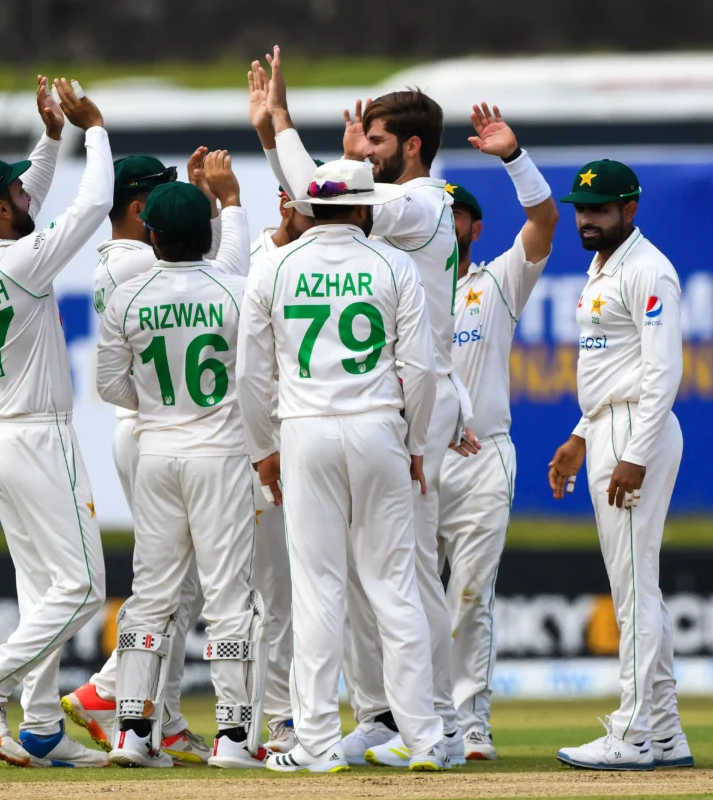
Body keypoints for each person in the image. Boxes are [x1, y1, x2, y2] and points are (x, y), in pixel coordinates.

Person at [261, 44, 475, 768]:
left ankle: (432, 725)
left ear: (412, 148)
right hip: (392, 412)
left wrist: (281, 127)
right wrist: (296, 144)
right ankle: (396, 723)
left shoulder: (419, 203)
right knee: (380, 582)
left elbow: (321, 202)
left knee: (390, 577)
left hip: (387, 410)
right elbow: (326, 203)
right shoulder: (385, 233)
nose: (367, 150)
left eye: (377, 142)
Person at [237, 158, 449, 774]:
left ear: (312, 208)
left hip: (305, 432)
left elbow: (250, 374)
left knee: (318, 590)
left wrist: (263, 449)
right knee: (395, 587)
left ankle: (319, 742)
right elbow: (420, 370)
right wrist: (414, 443)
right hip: (379, 425)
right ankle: (425, 740)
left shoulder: (276, 266)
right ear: (361, 208)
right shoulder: (393, 263)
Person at [0, 77, 111, 769]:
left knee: (43, 591)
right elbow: (93, 203)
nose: (26, 194)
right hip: (39, 437)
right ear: (0, 209)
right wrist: (94, 129)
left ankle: (40, 726)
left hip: (1, 439)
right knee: (84, 588)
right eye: (15, 192)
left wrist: (51, 137)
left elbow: (25, 200)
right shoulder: (22, 264)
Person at [96, 153, 266, 770]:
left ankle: (132, 732)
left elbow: (109, 386)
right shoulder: (237, 291)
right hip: (220, 454)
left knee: (151, 594)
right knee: (229, 594)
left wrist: (158, 406)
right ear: (204, 230)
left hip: (156, 454)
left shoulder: (126, 297)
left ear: (153, 234)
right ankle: (234, 737)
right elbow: (257, 378)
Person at [62, 150, 224, 767]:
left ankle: (163, 715)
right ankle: (110, 691)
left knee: (179, 585)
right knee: (174, 586)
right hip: (160, 424)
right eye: (161, 197)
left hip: (149, 427)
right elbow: (215, 280)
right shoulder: (137, 261)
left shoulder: (119, 259)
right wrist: (221, 209)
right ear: (139, 208)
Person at [547, 159, 693, 771]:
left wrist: (634, 453)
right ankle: (665, 732)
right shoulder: (602, 267)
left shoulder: (648, 269)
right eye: (581, 209)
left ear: (629, 209)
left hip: (637, 431)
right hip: (611, 426)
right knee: (638, 587)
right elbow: (613, 369)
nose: (587, 219)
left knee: (632, 590)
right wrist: (581, 435)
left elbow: (663, 371)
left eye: (600, 210)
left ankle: (632, 735)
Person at [437, 105, 558, 761]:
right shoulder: (399, 285)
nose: (443, 222)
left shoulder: (498, 282)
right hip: (415, 461)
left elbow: (544, 221)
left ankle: (471, 721)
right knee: (408, 599)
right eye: (436, 213)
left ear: (473, 227)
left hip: (484, 458)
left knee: (470, 595)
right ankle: (418, 720)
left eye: (454, 214)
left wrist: (514, 158)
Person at [244, 61, 320, 755]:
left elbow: (309, 199)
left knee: (320, 587)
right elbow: (250, 373)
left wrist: (272, 134)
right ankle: (281, 717)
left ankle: (322, 714)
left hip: (314, 442)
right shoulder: (260, 262)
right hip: (273, 449)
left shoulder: (330, 257)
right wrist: (262, 448)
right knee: (277, 592)